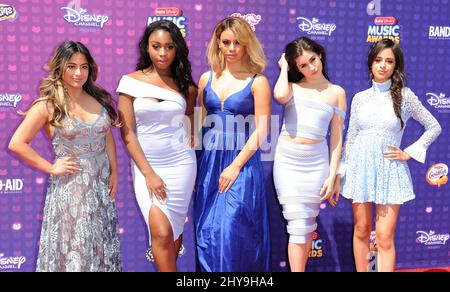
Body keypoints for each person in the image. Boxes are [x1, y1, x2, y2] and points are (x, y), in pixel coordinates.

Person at [8, 40, 122, 272]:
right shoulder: (48, 105)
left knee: (99, 248)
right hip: (71, 191)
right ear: (60, 67)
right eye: (71, 66)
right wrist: (51, 167)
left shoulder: (99, 100)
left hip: (99, 189)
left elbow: (106, 135)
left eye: (84, 66)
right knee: (74, 249)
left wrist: (114, 171)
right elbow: (17, 143)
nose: (78, 72)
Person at [338, 38, 442, 272]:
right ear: (370, 64)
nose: (383, 65)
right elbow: (351, 138)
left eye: (389, 61)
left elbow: (434, 126)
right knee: (362, 230)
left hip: (389, 171)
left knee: (384, 237)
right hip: (359, 170)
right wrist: (340, 173)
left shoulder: (405, 96)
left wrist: (409, 152)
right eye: (378, 60)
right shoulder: (359, 98)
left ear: (396, 66)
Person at [117, 20, 197, 272]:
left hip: (181, 165)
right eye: (156, 46)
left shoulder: (186, 85)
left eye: (169, 47)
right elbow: (128, 135)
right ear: (147, 48)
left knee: (173, 231)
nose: (163, 53)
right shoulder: (129, 82)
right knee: (161, 232)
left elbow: (193, 123)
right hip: (146, 167)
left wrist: (193, 141)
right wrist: (149, 174)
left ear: (177, 49)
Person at [194, 16, 271, 272]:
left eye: (238, 42)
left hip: (242, 164)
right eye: (226, 42)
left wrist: (236, 166)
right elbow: (200, 124)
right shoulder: (206, 79)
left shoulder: (257, 81)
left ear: (248, 44)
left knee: (233, 229)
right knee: (208, 232)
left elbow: (262, 129)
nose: (231, 48)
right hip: (209, 165)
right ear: (218, 43)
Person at [273, 37, 347, 272]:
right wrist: (284, 68)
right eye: (303, 65)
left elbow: (336, 137)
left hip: (316, 163)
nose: (311, 67)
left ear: (320, 54)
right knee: (296, 225)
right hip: (287, 161)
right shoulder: (293, 88)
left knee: (306, 226)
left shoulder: (337, 92)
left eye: (313, 60)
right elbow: (280, 96)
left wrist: (333, 174)